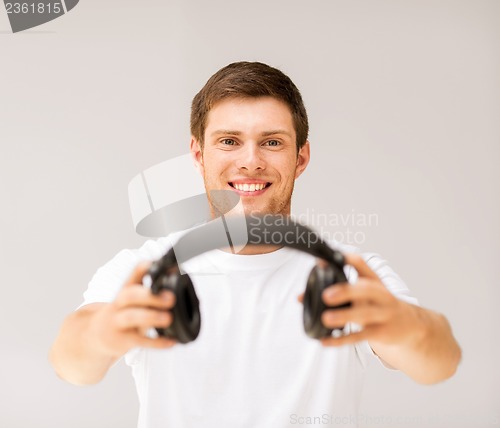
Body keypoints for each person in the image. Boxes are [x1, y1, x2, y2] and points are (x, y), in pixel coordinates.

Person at [49, 61, 461, 427]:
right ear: (198, 155)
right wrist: (104, 331)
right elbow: (71, 362)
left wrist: (403, 325)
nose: (250, 161)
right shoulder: (145, 273)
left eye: (272, 141)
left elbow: (439, 361)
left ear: (301, 158)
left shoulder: (349, 276)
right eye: (229, 141)